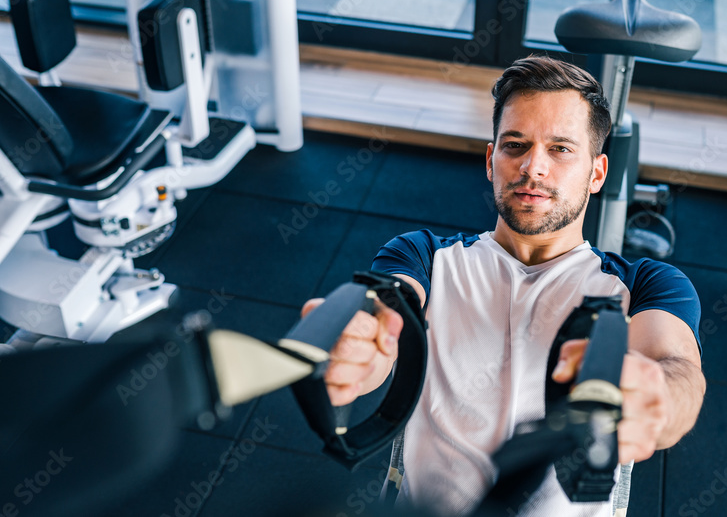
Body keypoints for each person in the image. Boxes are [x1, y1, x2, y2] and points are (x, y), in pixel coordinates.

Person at [301, 56, 705, 516]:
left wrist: (659, 395)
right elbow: (387, 319)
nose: (533, 167)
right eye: (515, 145)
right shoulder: (424, 257)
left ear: (597, 173)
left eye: (560, 149)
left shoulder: (647, 284)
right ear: (492, 160)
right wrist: (355, 347)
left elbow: (676, 369)